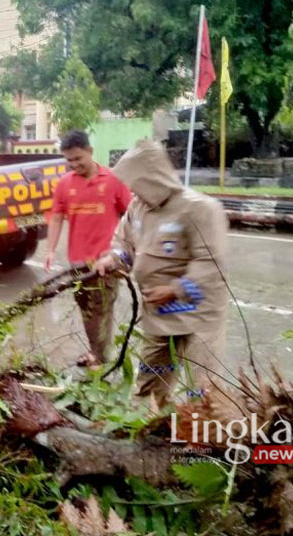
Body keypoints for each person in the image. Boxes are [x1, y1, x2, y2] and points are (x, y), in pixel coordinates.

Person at [94, 140, 229, 408]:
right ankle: (152, 429)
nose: (133, 191)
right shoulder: (137, 209)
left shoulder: (199, 209)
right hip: (159, 315)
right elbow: (125, 243)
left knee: (201, 389)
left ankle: (201, 441)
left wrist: (175, 289)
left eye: (137, 184)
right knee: (151, 380)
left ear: (153, 178)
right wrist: (114, 259)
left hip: (198, 316)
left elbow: (211, 262)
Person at [44, 130, 132, 366]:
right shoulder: (65, 184)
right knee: (85, 309)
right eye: (69, 160)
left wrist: (128, 253)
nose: (74, 165)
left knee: (101, 311)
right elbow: (56, 217)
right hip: (77, 262)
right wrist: (51, 249)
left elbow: (131, 217)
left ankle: (101, 362)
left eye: (78, 159)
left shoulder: (114, 180)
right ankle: (96, 352)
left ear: (90, 152)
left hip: (106, 262)